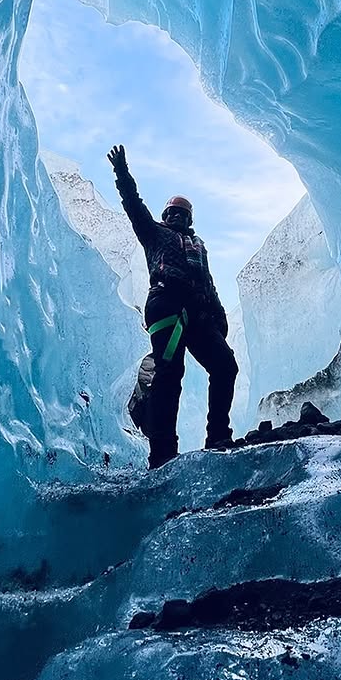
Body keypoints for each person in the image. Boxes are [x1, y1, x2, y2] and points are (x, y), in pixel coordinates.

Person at [108, 144, 239, 468]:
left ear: (189, 219)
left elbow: (208, 282)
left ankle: (217, 437)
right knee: (170, 372)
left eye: (182, 213)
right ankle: (163, 452)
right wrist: (122, 173)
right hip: (166, 301)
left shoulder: (199, 247)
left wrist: (218, 318)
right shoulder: (154, 233)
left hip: (197, 310)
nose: (176, 216)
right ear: (165, 216)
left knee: (225, 366)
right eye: (172, 212)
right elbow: (134, 206)